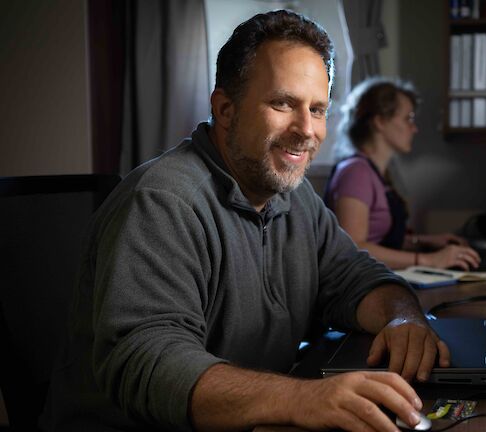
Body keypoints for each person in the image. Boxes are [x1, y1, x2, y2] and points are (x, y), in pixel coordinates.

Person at [42, 10, 449, 432]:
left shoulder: (295, 196)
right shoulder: (162, 202)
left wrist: (403, 318)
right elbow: (151, 362)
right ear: (225, 109)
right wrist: (302, 398)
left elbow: (354, 277)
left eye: (317, 109)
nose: (306, 130)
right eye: (282, 103)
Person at [324, 78, 481, 270]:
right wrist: (429, 260)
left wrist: (423, 241)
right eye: (408, 119)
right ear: (380, 122)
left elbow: (377, 239)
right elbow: (353, 247)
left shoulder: (374, 171)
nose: (414, 128)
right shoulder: (355, 172)